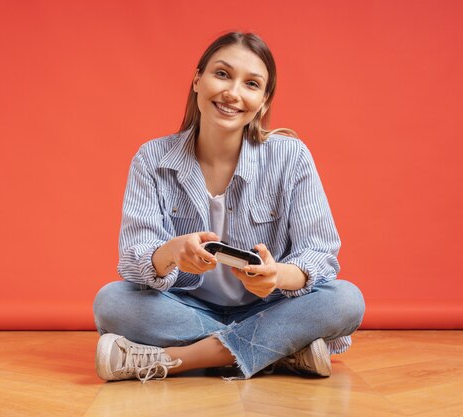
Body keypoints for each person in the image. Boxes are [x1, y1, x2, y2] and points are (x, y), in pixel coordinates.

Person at [93, 32, 365, 383]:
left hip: (270, 306)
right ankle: (281, 351)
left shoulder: (291, 156)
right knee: (112, 302)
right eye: (222, 74)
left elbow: (320, 254)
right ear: (197, 79)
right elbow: (134, 258)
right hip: (188, 307)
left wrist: (276, 276)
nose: (232, 93)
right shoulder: (152, 159)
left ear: (263, 101)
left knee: (345, 299)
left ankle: (175, 359)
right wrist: (172, 252)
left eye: (251, 84)